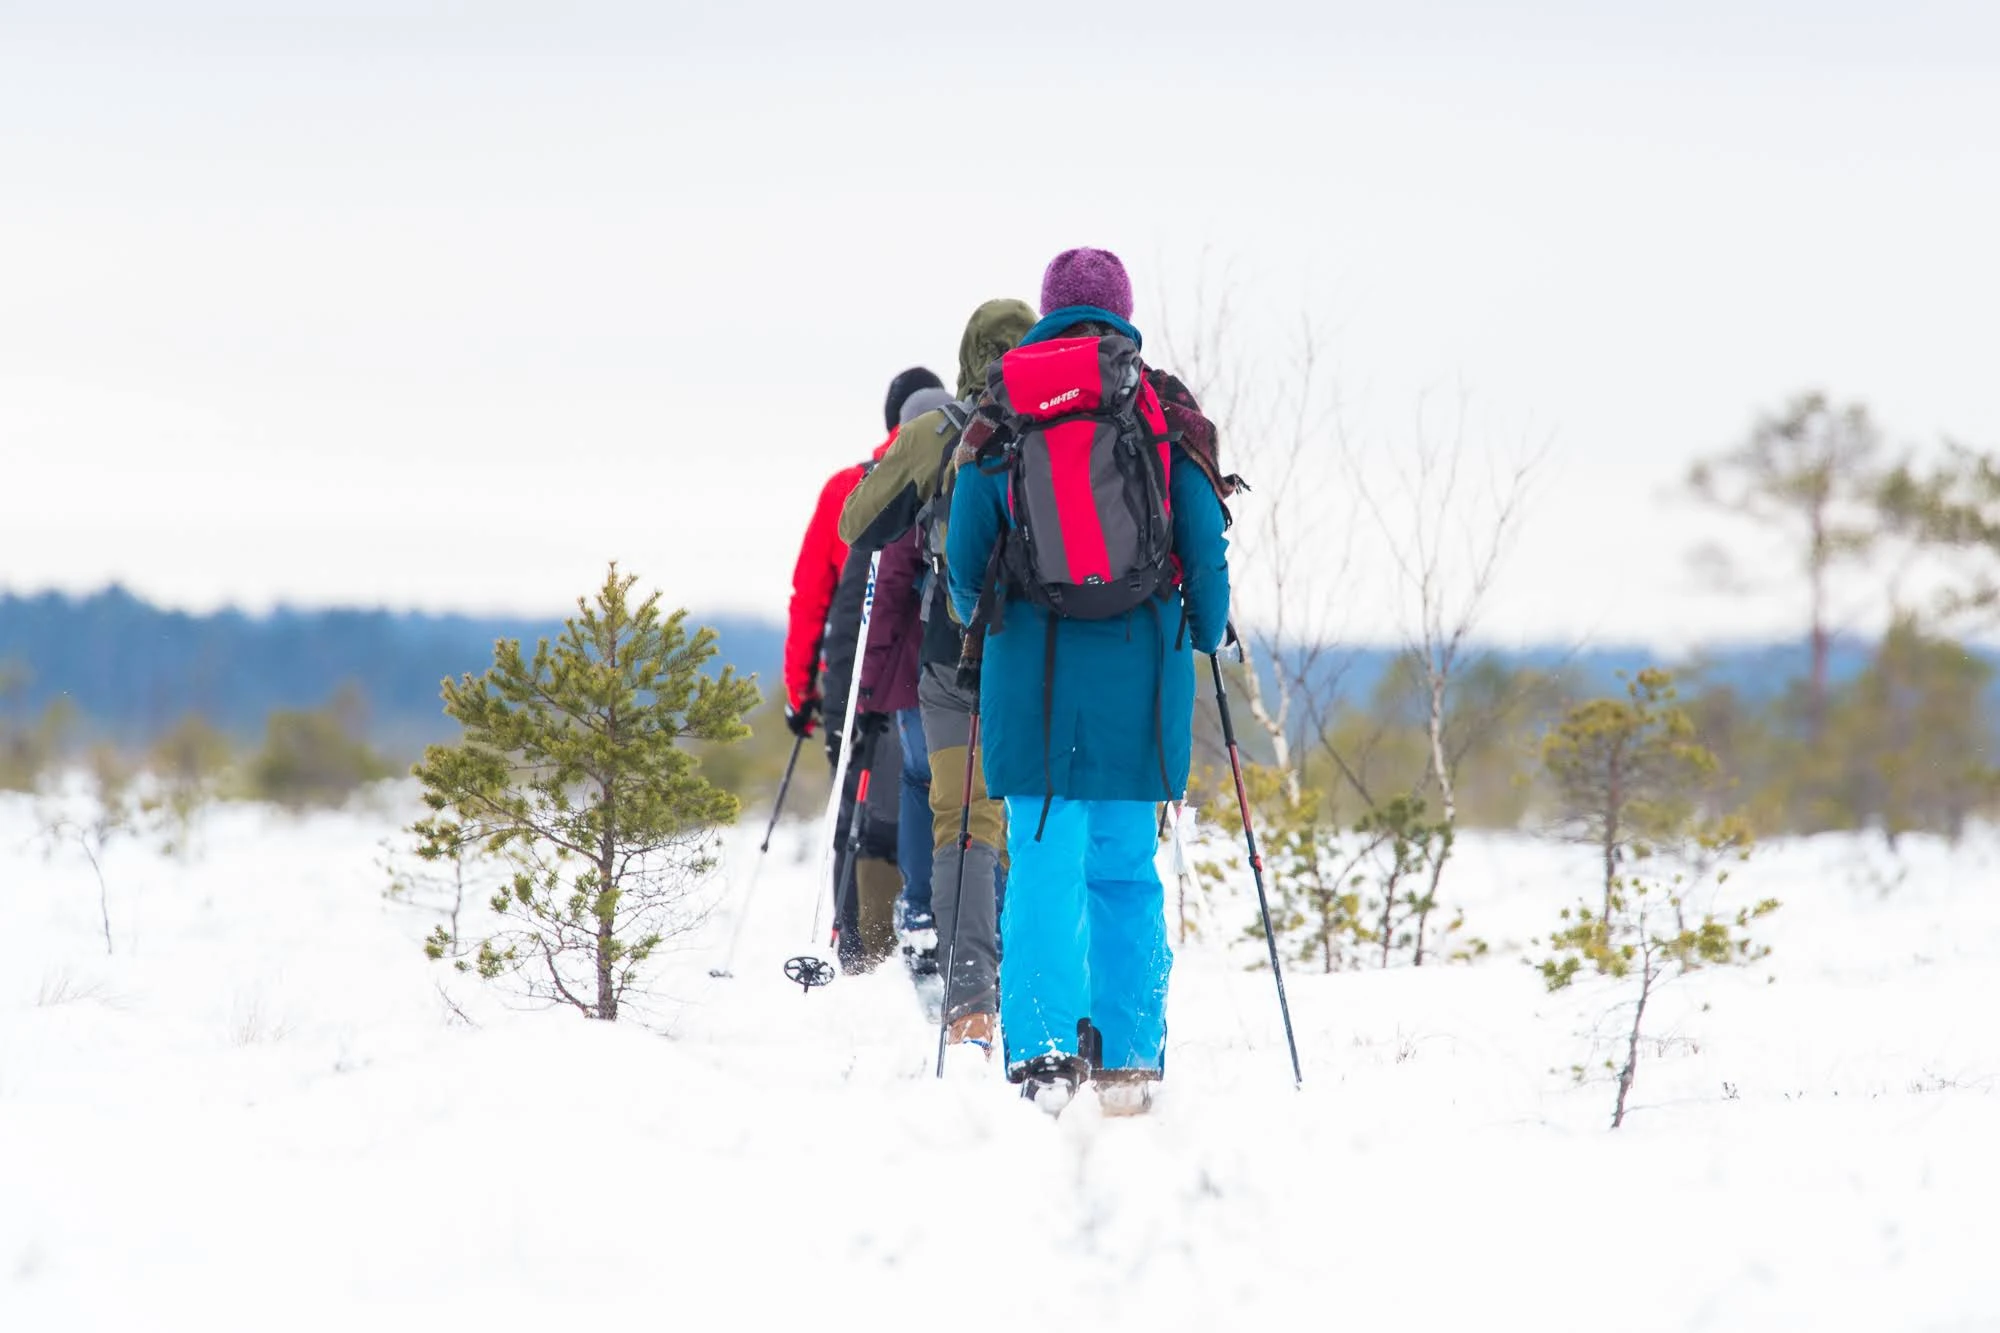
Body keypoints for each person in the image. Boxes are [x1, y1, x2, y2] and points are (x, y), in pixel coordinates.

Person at [946, 250, 1234, 1114]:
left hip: (1033, 685)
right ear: (1123, 312)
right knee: (1123, 871)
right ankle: (1129, 1060)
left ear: (1047, 311)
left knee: (1039, 864)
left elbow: (963, 573)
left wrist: (1000, 608)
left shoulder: (1003, 416)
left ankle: (1039, 1056)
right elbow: (1204, 554)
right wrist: (1205, 630)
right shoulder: (1160, 409)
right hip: (1141, 685)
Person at [840, 299, 1037, 1063]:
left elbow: (859, 522)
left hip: (956, 653)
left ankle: (969, 1009)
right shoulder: (1073, 429)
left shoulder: (943, 429)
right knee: (1042, 826)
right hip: (1054, 654)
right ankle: (1044, 996)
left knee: (963, 825)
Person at [782, 366, 944, 970]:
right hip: (936, 679)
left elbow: (810, 597)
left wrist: (802, 692)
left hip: (857, 684)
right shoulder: (955, 472)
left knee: (857, 811)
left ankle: (860, 953)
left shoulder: (848, 487)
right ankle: (930, 944)